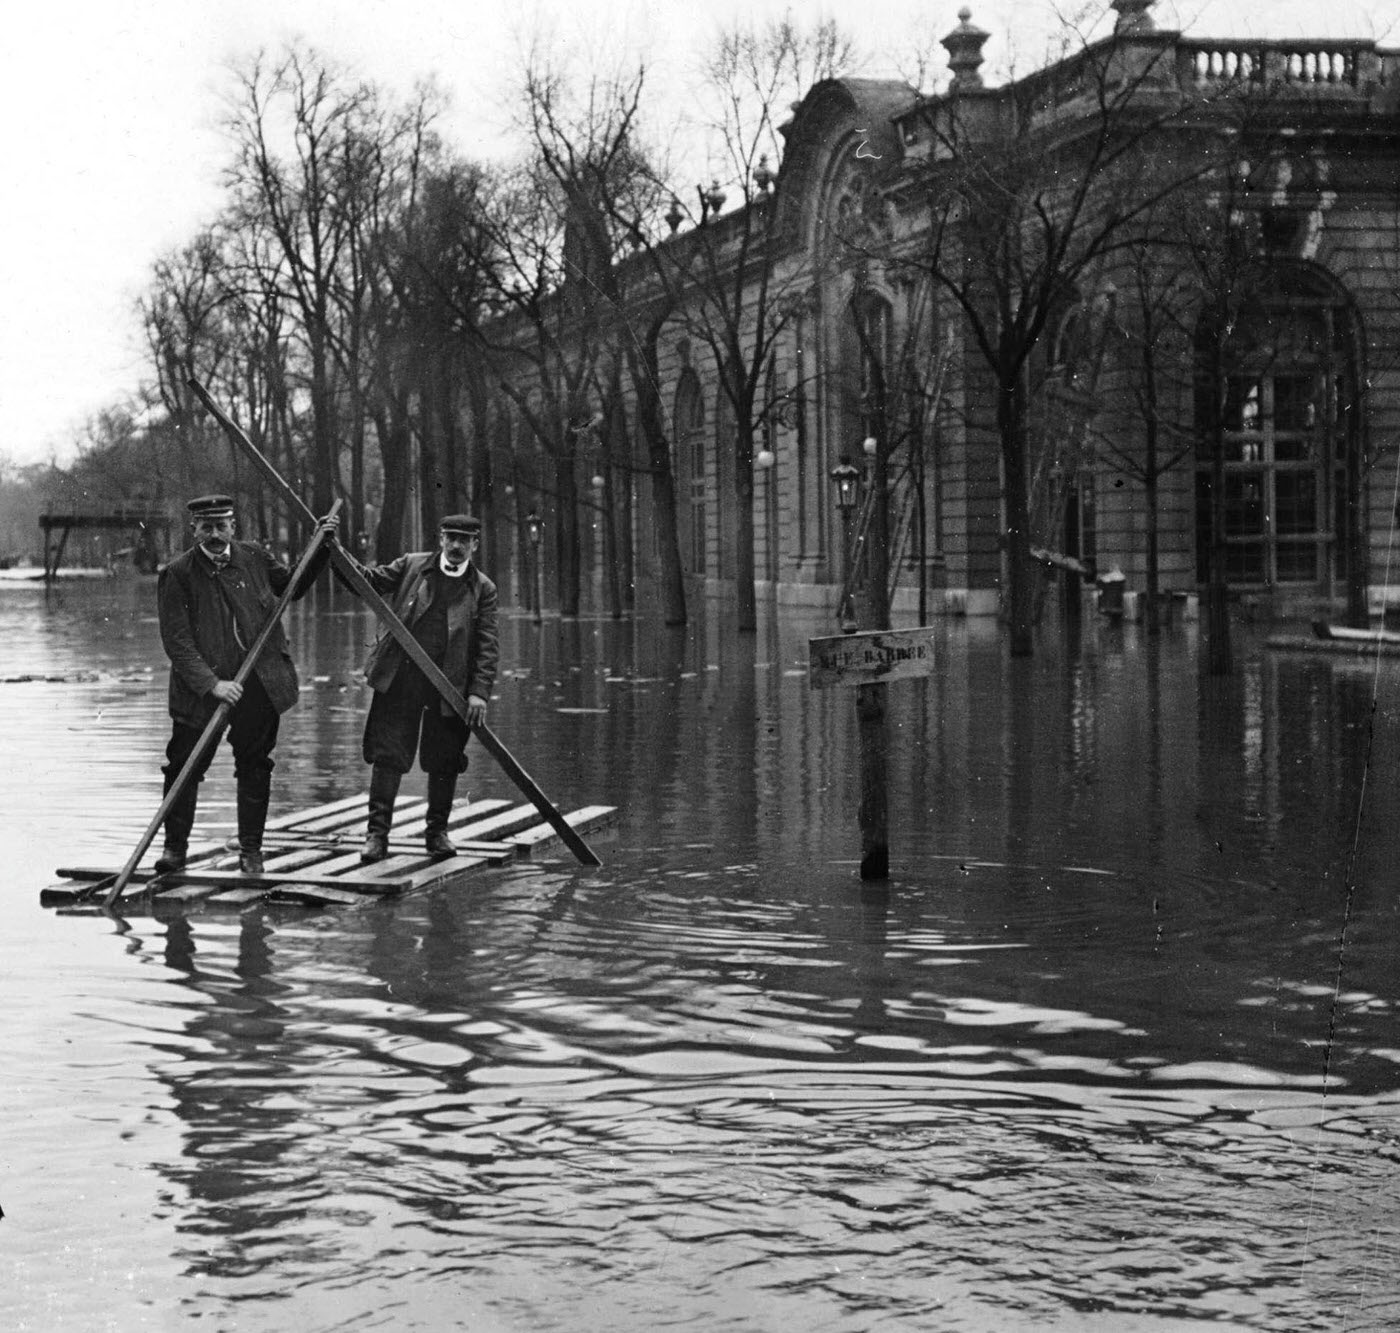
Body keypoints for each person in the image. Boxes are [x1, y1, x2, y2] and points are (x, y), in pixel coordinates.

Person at [155, 494, 337, 876]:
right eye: (207, 527)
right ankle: (175, 851)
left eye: (222, 526)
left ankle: (251, 852)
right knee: (184, 767)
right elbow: (177, 641)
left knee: (255, 765)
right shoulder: (178, 573)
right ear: (194, 531)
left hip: (259, 684)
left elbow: (294, 585)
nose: (215, 534)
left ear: (234, 527)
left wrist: (320, 547)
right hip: (201, 692)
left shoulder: (253, 557)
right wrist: (212, 684)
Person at [355, 514, 499, 862]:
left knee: (445, 760)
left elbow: (487, 645)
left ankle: (436, 834)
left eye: (464, 540)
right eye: (451, 538)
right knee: (388, 755)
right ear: (440, 538)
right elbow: (368, 581)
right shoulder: (411, 566)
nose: (455, 546)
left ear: (474, 546)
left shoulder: (483, 588)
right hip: (400, 680)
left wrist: (478, 692)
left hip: (450, 688)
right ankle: (377, 836)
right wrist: (337, 552)